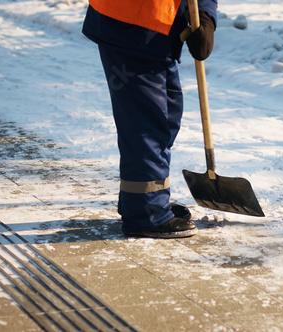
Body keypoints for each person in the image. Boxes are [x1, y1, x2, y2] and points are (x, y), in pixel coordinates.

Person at [82, 0, 218, 238]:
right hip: (131, 23)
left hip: (161, 28)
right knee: (146, 125)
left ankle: (143, 202)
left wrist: (205, 15)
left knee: (166, 117)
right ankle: (147, 214)